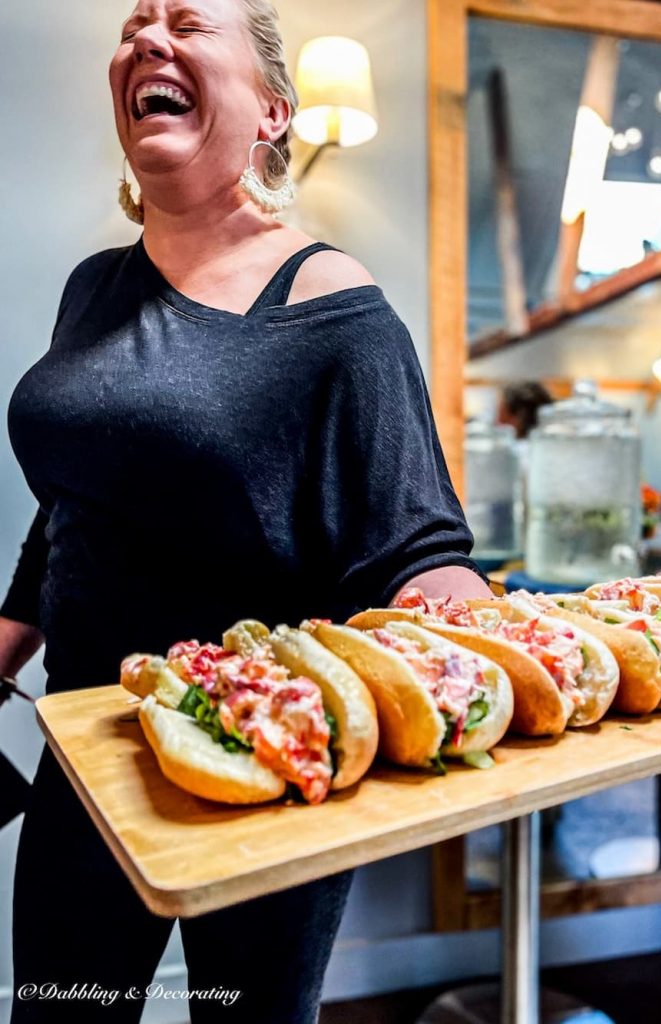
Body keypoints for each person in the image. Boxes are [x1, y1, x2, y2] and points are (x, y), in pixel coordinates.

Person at [0, 0, 492, 1020]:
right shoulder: (94, 287)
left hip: (271, 756)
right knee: (58, 1010)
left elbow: (418, 542)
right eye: (135, 24)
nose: (147, 38)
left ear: (272, 111)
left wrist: (473, 642)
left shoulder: (331, 299)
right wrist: (8, 636)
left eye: (188, 22)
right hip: (87, 751)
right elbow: (77, 500)